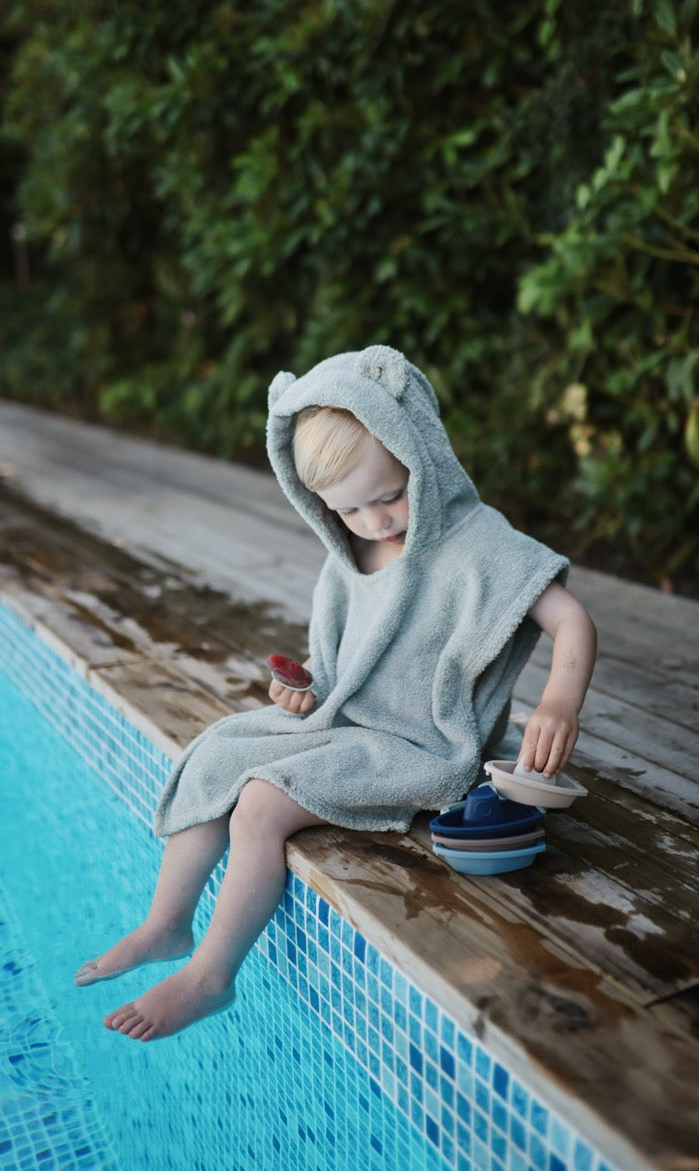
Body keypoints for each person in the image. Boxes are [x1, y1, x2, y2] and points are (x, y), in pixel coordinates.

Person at [74, 345, 597, 1041]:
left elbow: (570, 619)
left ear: (422, 456)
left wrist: (559, 701)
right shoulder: (350, 557)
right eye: (349, 510)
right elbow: (336, 668)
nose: (376, 522)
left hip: (420, 745)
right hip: (347, 721)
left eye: (390, 495)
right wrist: (302, 691)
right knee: (216, 755)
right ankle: (165, 924)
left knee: (261, 803)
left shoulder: (477, 542)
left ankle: (211, 975)